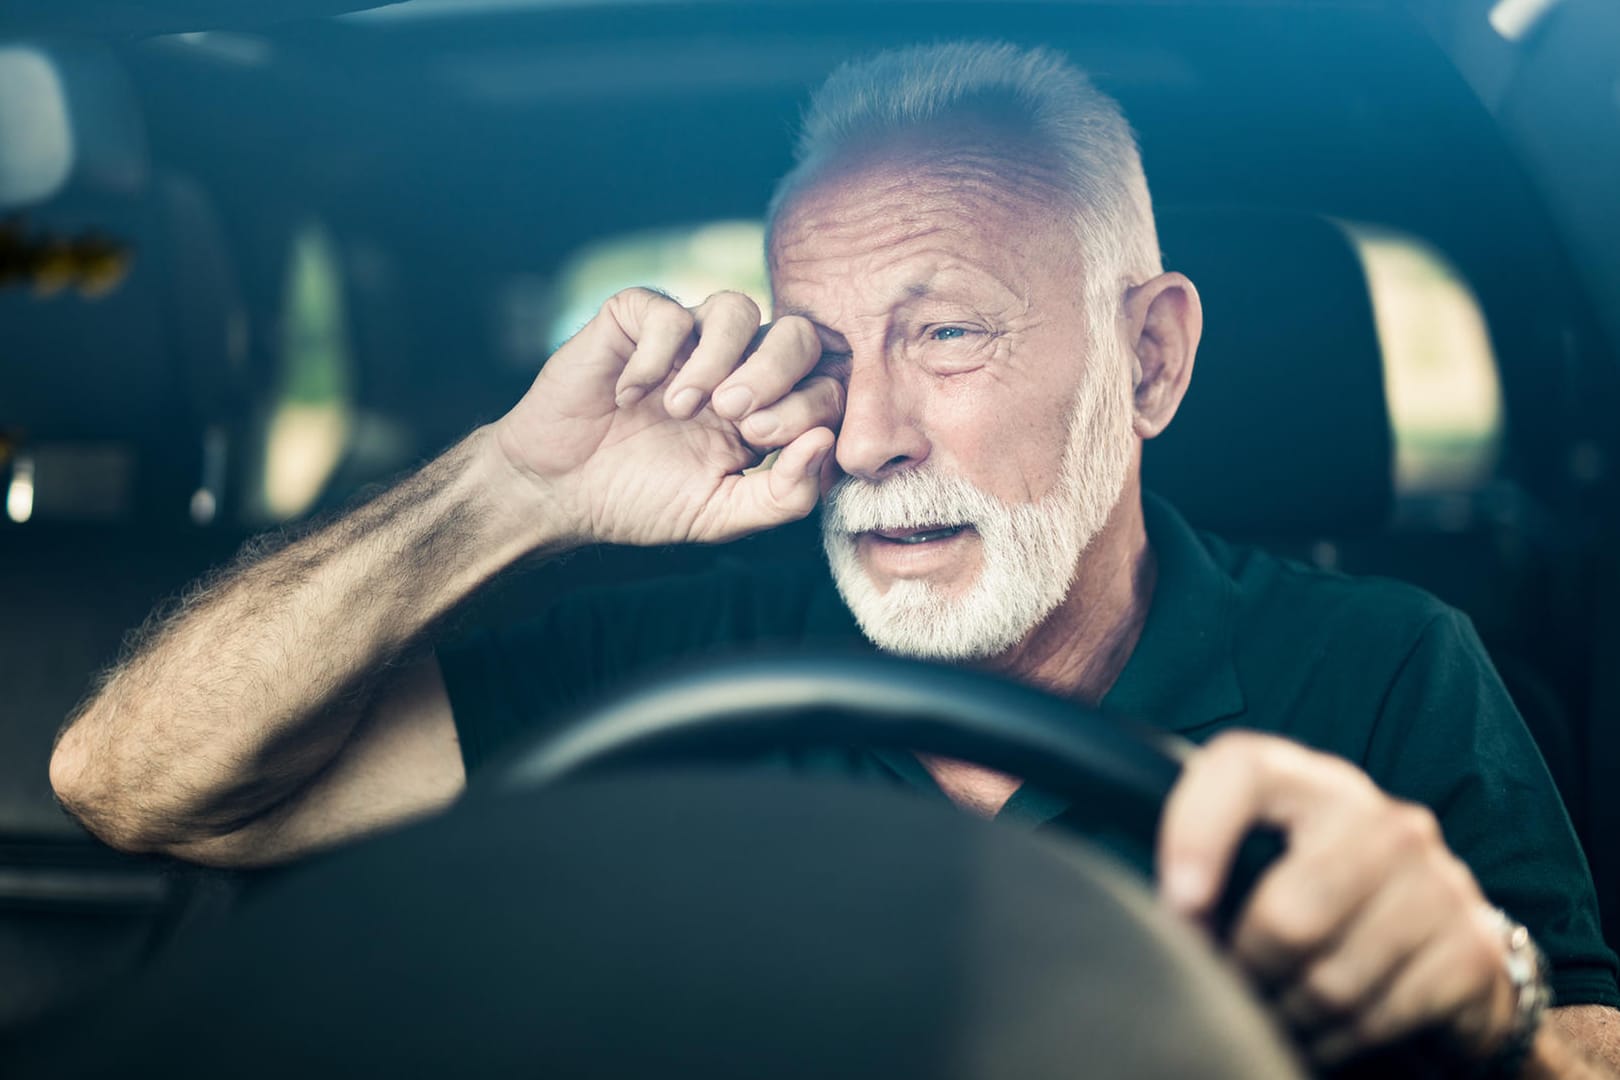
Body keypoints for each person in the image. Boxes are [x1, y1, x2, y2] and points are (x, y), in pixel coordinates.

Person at [48, 40, 1619, 1076]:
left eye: (945, 334)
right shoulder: (675, 653)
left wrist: (1489, 1001)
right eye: (820, 352)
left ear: (1149, 363)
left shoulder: (1387, 666)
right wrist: (511, 490)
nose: (864, 434)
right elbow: (143, 788)